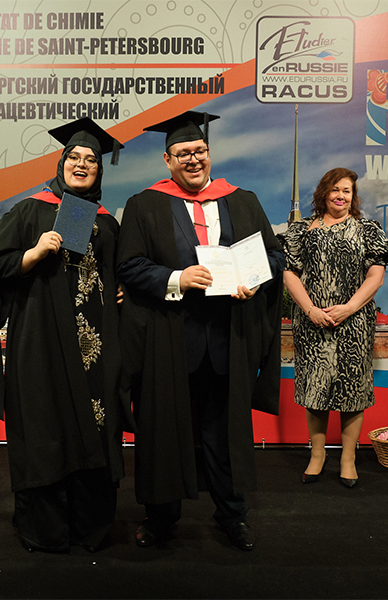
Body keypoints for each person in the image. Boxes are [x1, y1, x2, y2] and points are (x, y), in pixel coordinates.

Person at [116, 111, 284, 551]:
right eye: (184, 153)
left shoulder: (241, 200)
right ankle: (161, 517)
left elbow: (274, 256)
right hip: (169, 339)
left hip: (227, 338)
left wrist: (254, 279)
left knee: (225, 430)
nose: (194, 160)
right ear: (167, 160)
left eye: (200, 151)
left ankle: (233, 515)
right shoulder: (144, 204)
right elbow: (130, 265)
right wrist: (176, 278)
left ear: (209, 154)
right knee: (164, 429)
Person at [0, 118, 130, 553]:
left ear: (99, 171)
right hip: (39, 343)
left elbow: (114, 275)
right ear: (61, 163)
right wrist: (34, 252)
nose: (81, 165)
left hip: (94, 349)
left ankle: (90, 527)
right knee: (45, 428)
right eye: (74, 158)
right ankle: (45, 530)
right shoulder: (29, 211)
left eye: (91, 161)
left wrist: (119, 289)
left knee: (95, 426)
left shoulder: (107, 223)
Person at [282, 167, 388, 488]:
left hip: (355, 323)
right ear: (323, 193)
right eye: (335, 189)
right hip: (312, 322)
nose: (341, 196)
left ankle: (348, 458)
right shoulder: (300, 230)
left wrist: (349, 307)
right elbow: (289, 272)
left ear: (353, 195)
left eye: (346, 190)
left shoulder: (368, 230)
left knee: (352, 391)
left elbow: (376, 275)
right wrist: (308, 309)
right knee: (315, 389)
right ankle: (317, 455)